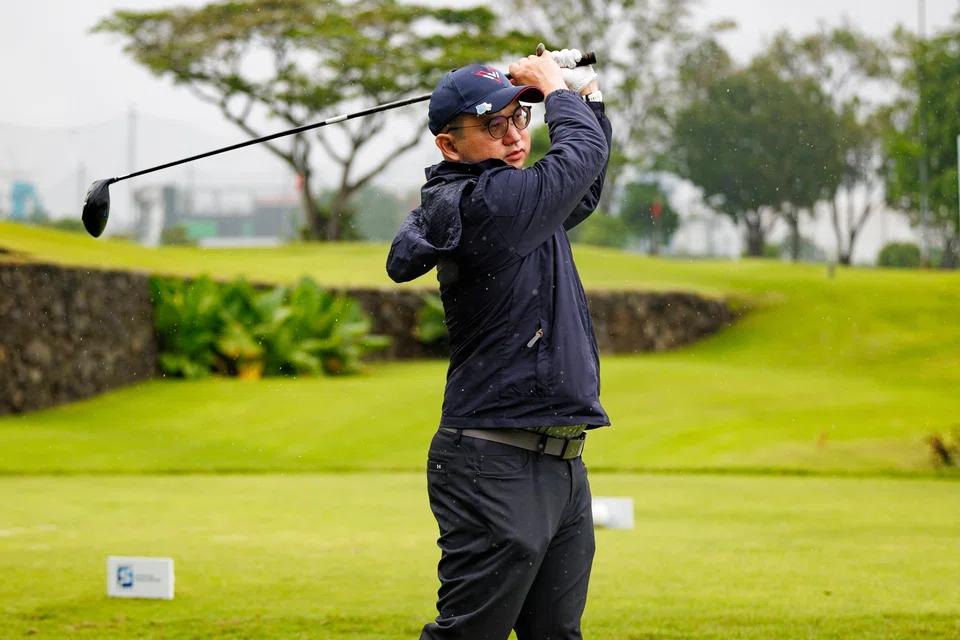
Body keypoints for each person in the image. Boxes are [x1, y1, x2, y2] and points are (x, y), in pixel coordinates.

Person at [386, 48, 612, 640]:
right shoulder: (490, 204)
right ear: (448, 146)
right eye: (493, 125)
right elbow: (579, 157)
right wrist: (555, 90)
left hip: (561, 463)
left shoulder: (523, 202)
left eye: (520, 119)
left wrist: (584, 94)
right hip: (493, 461)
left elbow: (583, 182)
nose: (514, 138)